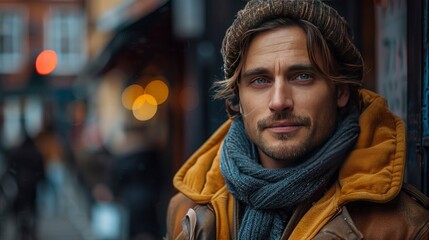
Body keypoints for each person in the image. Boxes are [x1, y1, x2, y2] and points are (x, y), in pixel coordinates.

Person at [166, 0, 429, 239]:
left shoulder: (403, 227)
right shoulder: (187, 210)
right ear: (237, 98)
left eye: (302, 76)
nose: (279, 101)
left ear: (341, 91)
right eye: (260, 80)